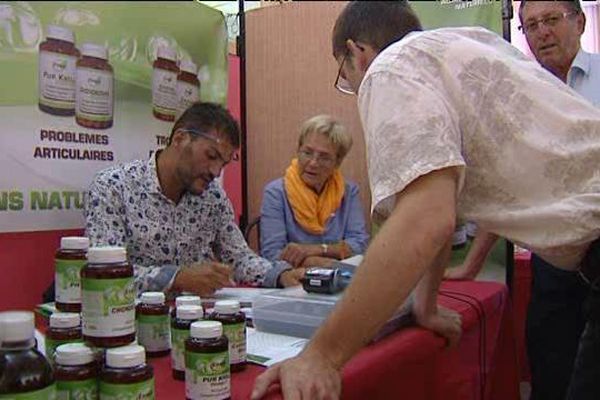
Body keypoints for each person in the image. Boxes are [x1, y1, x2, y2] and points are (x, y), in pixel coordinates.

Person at [250, 2, 600, 399]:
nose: (355, 88)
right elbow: (438, 201)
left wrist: (322, 356)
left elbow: (425, 219)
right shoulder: (467, 43)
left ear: (357, 52)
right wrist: (427, 305)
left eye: (346, 76)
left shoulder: (391, 67)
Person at [444, 2, 599, 398]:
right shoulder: (517, 90)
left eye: (551, 20)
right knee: (550, 373)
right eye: (531, 25)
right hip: (552, 265)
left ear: (579, 22)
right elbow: (506, 187)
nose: (541, 33)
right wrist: (472, 264)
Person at [84, 102, 304, 297]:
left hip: (200, 323)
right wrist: (177, 278)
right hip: (129, 323)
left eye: (224, 163)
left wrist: (281, 275)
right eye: (211, 156)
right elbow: (104, 272)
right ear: (180, 139)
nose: (216, 171)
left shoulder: (213, 196)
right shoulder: (113, 186)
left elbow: (239, 258)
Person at [260, 115, 369, 269]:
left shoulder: (349, 192)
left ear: (337, 162)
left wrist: (314, 250)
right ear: (298, 150)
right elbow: (272, 254)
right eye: (307, 153)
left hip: (339, 279)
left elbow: (359, 244)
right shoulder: (276, 193)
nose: (313, 163)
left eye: (324, 157)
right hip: (293, 281)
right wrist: (321, 262)